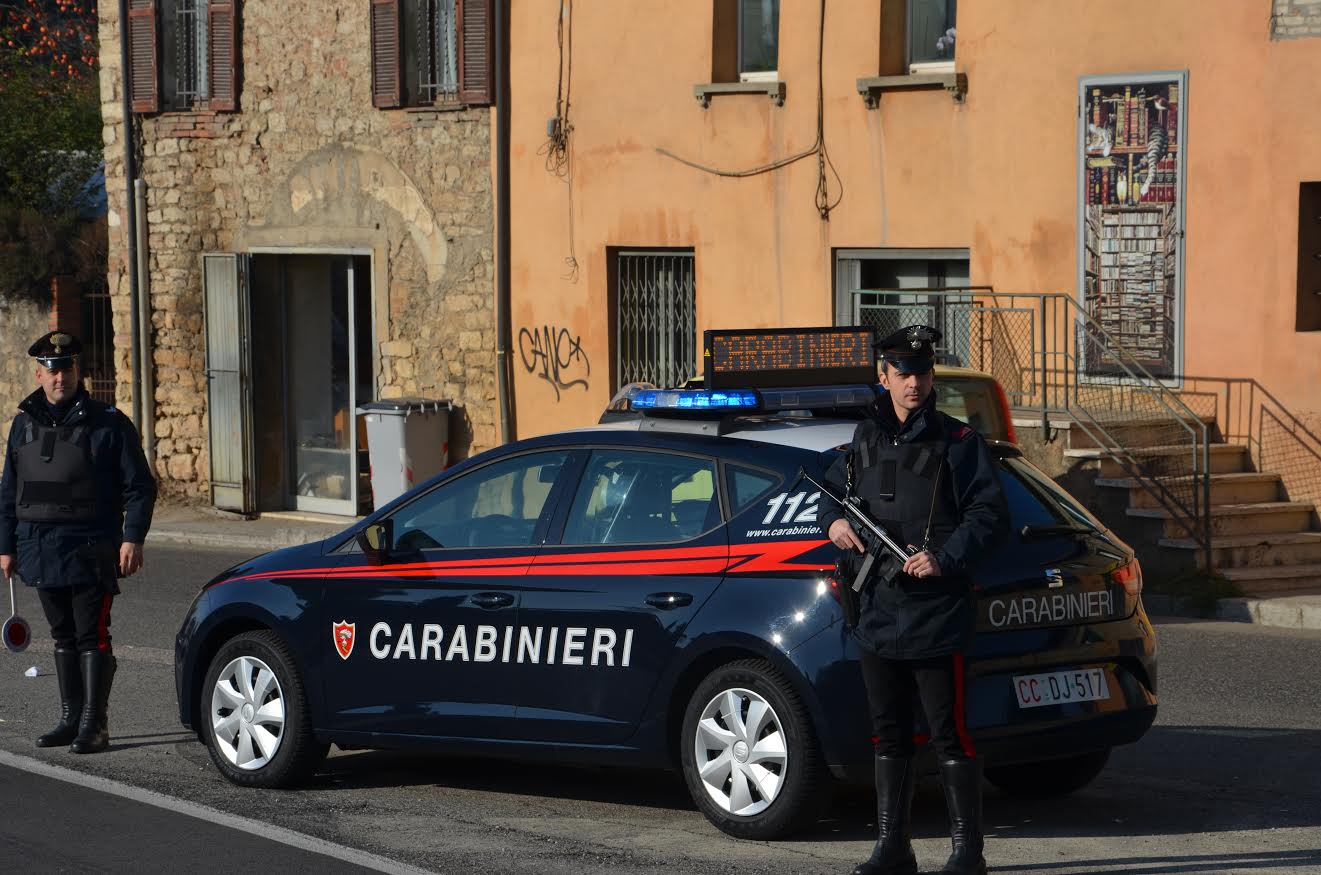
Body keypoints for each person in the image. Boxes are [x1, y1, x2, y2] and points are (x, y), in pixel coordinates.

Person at [819, 325, 1008, 875]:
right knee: (889, 732)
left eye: (922, 373)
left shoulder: (958, 443)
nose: (914, 384)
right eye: (903, 373)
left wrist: (944, 557)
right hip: (876, 609)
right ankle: (893, 849)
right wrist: (832, 523)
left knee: (949, 733)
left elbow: (991, 517)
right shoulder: (864, 437)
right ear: (884, 376)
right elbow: (827, 497)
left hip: (935, 611)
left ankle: (967, 854)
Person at [0, 331, 156, 754]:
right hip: (40, 546)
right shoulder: (23, 425)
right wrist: (6, 546)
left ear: (77, 371)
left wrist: (132, 538)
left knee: (93, 635)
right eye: (51, 370)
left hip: (91, 546)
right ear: (38, 374)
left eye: (66, 368)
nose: (59, 378)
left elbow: (139, 486)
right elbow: (9, 490)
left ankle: (95, 724)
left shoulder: (108, 423)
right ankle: (70, 719)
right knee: (62, 634)